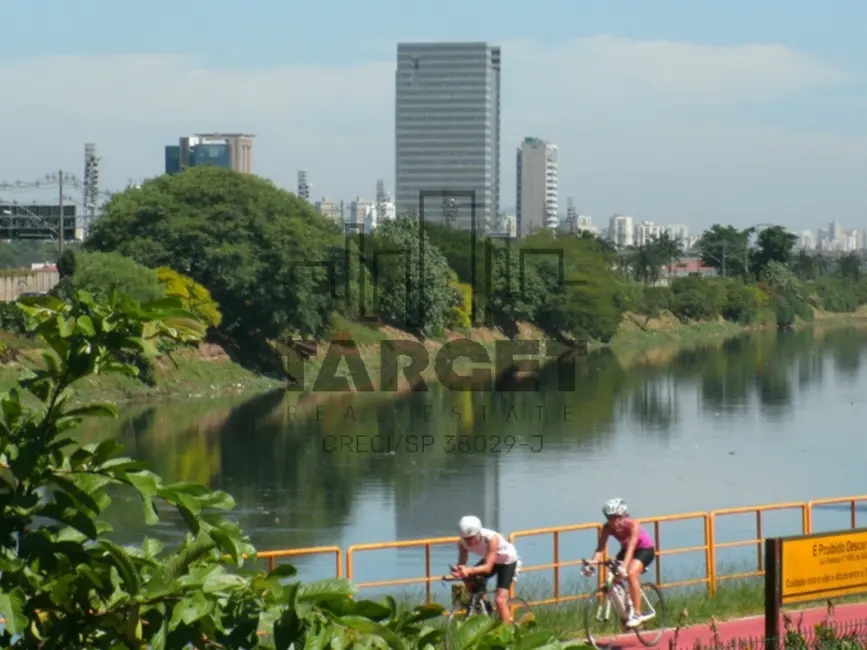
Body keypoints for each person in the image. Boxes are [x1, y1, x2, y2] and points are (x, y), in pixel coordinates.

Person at [583, 498, 656, 629]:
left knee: (631, 573)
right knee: (613, 577)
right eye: (608, 518)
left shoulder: (633, 525)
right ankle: (626, 610)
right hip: (626, 550)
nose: (611, 521)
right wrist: (591, 565)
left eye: (614, 518)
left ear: (622, 516)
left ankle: (637, 614)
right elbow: (600, 548)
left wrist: (624, 567)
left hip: (644, 550)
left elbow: (632, 548)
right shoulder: (607, 528)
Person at [451, 514, 521, 624]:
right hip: (492, 559)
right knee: (469, 579)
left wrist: (468, 570)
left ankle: (508, 629)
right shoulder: (462, 543)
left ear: (478, 533)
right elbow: (462, 564)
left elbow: (488, 568)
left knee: (500, 600)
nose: (469, 542)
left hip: (507, 561)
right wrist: (457, 570)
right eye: (465, 539)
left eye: (471, 538)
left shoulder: (491, 538)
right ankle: (482, 604)